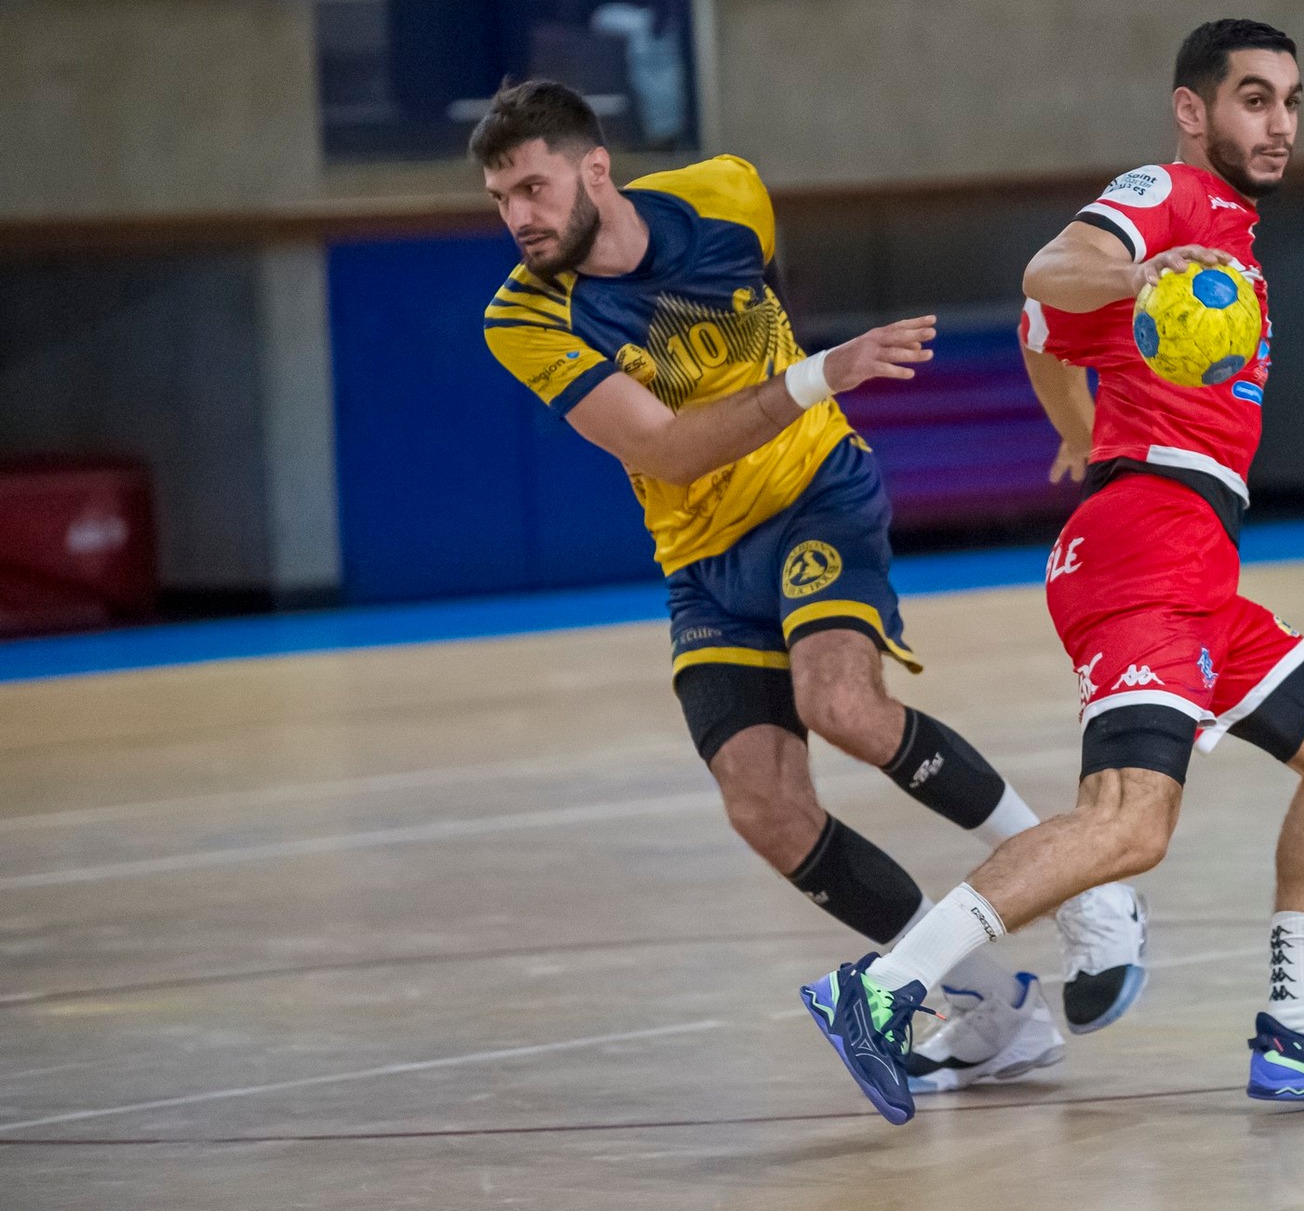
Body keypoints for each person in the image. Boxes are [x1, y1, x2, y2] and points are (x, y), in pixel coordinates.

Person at [799, 20, 1304, 1126]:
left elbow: (1044, 331)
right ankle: (882, 990)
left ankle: (1297, 1029)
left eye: (1288, 102)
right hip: (1148, 540)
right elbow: (1049, 269)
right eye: (1250, 99)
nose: (1275, 123)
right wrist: (1144, 268)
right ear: (1193, 111)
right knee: (1130, 820)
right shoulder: (1169, 200)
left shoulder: (1232, 235)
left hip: (1187, 549)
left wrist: (1074, 426)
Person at [471, 81, 1146, 1092]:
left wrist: (805, 388)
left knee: (840, 704)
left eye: (532, 185)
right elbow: (664, 451)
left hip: (815, 494)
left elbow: (765, 298)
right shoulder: (521, 316)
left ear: (594, 169)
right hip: (702, 557)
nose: (518, 214)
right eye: (499, 197)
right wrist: (816, 374)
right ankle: (982, 1006)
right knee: (762, 805)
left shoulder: (725, 194)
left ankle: (1082, 887)